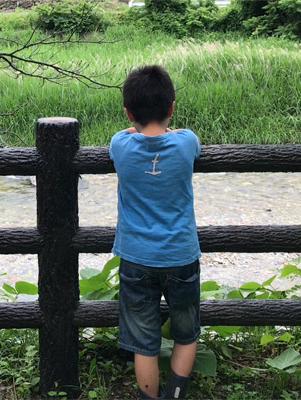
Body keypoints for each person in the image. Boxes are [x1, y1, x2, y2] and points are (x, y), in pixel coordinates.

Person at [109, 65, 201, 400]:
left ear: (128, 112)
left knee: (143, 343)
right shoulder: (186, 142)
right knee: (186, 334)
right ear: (171, 107)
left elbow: (126, 134)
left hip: (137, 258)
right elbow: (181, 136)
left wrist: (136, 127)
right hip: (181, 255)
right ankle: (175, 396)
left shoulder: (120, 145)